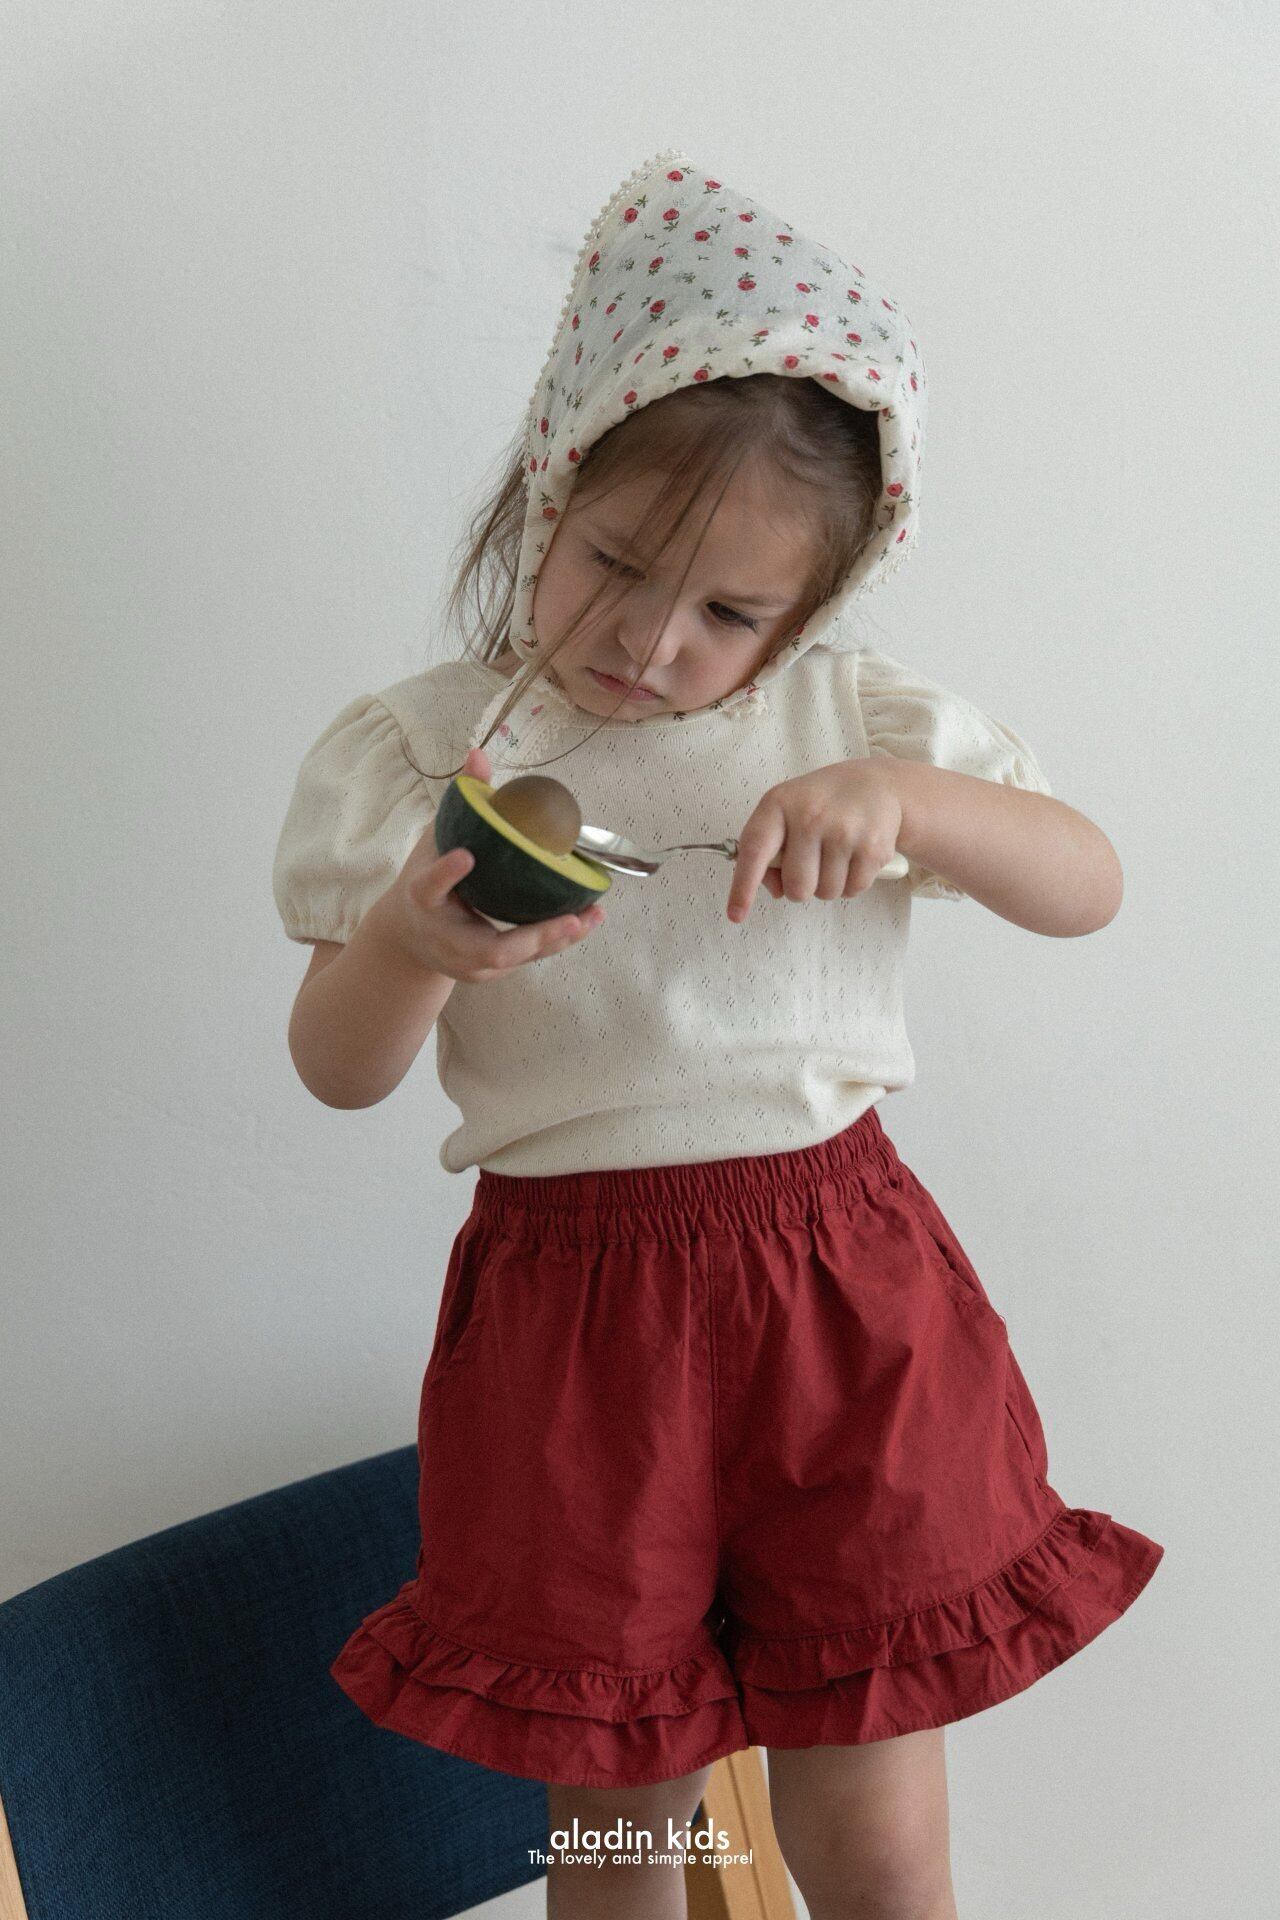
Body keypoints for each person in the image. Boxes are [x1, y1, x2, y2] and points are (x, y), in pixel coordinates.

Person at [272, 148, 1164, 1920]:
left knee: (877, 1835)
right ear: (549, 488)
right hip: (574, 1332)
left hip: (843, 1298)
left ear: (812, 609)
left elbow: (1088, 884)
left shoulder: (853, 724)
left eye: (732, 614)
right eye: (615, 564)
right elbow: (338, 1067)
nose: (653, 639)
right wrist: (409, 942)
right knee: (622, 1826)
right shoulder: (420, 757)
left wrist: (912, 803)